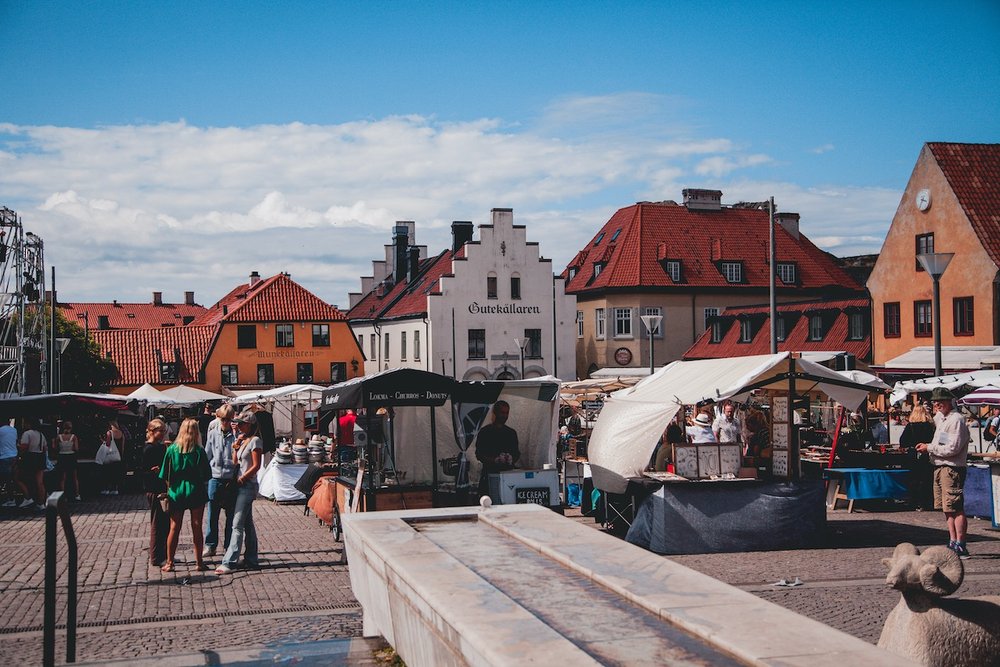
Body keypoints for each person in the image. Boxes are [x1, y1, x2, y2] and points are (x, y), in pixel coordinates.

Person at [916, 387, 972, 558]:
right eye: (935, 401)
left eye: (940, 401)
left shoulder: (956, 420)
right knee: (947, 508)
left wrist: (929, 447)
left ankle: (961, 544)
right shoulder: (944, 419)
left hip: (951, 467)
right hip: (940, 466)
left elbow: (953, 448)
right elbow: (941, 438)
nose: (936, 404)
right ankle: (953, 540)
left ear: (949, 401)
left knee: (955, 506)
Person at [159, 418, 211, 572]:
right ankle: (199, 562)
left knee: (174, 527)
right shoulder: (199, 451)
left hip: (176, 491)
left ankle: (169, 562)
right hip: (195, 490)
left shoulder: (171, 450)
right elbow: (206, 474)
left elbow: (164, 474)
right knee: (197, 527)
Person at [216, 410, 262, 574]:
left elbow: (256, 465)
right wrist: (236, 446)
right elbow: (236, 461)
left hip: (247, 486)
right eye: (238, 423)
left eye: (242, 423)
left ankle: (229, 561)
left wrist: (243, 478)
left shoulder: (255, 441)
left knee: (237, 524)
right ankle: (251, 558)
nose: (239, 426)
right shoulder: (244, 440)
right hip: (241, 485)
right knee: (247, 523)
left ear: (250, 424)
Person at [203, 404, 238, 557]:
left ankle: (228, 545)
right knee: (212, 514)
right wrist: (206, 476)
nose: (225, 422)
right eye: (223, 419)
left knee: (231, 515)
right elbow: (207, 455)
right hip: (215, 478)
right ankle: (210, 545)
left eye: (228, 419)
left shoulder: (237, 435)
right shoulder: (212, 434)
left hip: (231, 479)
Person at [475, 400, 520, 495]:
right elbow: (479, 454)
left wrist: (511, 459)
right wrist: (494, 460)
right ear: (495, 413)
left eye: (507, 413)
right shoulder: (485, 432)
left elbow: (516, 453)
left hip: (508, 475)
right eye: (502, 413)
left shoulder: (511, 433)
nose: (504, 416)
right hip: (489, 474)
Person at [142, 419, 170, 567]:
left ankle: (164, 554)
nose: (164, 434)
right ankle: (156, 556)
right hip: (155, 489)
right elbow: (146, 471)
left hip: (159, 488)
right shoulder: (150, 449)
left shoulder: (158, 447)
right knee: (157, 524)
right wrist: (157, 473)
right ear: (152, 431)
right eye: (161, 431)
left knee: (164, 523)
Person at [899, 404, 935, 510]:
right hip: (926, 454)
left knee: (913, 479)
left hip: (913, 454)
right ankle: (926, 502)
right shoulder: (930, 426)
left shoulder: (910, 426)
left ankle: (913, 502)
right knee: (926, 479)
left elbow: (903, 441)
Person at [18, 417, 47, 510]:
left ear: (29, 424)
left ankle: (28, 498)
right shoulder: (41, 434)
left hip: (30, 457)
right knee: (40, 482)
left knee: (21, 478)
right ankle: (41, 503)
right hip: (40, 457)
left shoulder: (27, 434)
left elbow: (24, 447)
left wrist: (19, 453)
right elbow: (45, 448)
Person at [52, 420, 81, 501]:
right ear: (71, 428)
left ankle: (63, 496)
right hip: (71, 456)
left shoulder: (59, 437)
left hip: (62, 456)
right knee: (75, 477)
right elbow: (76, 448)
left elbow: (55, 448)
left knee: (62, 478)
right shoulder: (73, 437)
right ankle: (77, 494)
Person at [97, 419, 125, 495]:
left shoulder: (110, 433)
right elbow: (122, 446)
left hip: (110, 456)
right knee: (115, 473)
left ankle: (107, 489)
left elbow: (108, 444)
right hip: (117, 455)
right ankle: (115, 489)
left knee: (108, 473)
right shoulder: (121, 433)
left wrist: (102, 440)